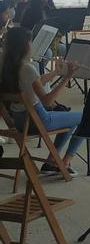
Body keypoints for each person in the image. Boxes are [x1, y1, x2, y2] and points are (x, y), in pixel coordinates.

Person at [0, 27, 84, 175]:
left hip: (19, 121)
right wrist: (67, 77)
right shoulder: (27, 68)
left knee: (68, 120)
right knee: (85, 117)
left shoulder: (7, 66)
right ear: (26, 45)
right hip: (38, 119)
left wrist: (56, 72)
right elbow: (47, 101)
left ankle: (52, 162)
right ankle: (65, 162)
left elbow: (35, 82)